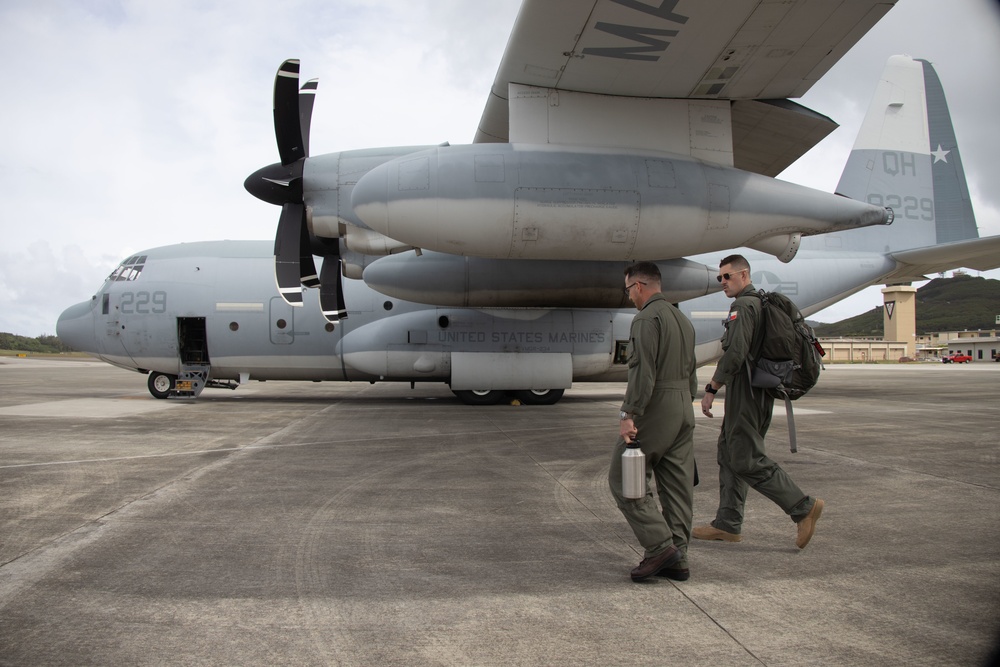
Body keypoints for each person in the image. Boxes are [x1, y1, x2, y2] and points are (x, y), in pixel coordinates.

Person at [698, 254, 824, 548]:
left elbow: (735, 352)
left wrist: (712, 387)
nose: (723, 283)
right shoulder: (761, 303)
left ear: (744, 275)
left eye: (727, 277)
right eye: (720, 278)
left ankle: (802, 507)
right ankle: (727, 524)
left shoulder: (744, 305)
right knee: (729, 452)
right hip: (758, 389)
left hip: (747, 390)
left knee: (746, 457)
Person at [610, 262, 698, 582]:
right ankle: (679, 558)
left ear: (640, 286)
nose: (630, 297)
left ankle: (660, 547)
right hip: (683, 408)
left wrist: (628, 414)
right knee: (676, 486)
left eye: (629, 290)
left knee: (623, 478)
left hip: (656, 407)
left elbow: (643, 372)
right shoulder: (682, 320)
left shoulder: (646, 318)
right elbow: (691, 372)